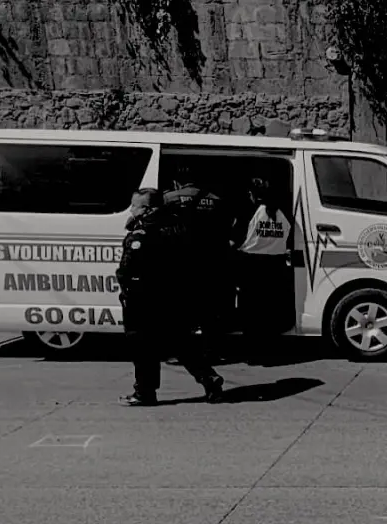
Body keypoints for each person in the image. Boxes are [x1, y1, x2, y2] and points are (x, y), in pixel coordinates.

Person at [116, 188, 224, 406]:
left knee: (143, 347)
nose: (131, 209)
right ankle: (209, 379)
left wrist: (126, 290)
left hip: (144, 299)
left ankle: (144, 392)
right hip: (175, 296)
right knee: (181, 342)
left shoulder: (142, 232)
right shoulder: (179, 224)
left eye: (135, 205)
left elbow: (128, 269)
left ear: (148, 209)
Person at [163, 174, 239, 350]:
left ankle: (183, 351)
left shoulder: (169, 198)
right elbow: (227, 228)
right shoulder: (216, 199)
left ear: (177, 181)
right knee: (209, 309)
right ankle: (212, 349)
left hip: (182, 261)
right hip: (211, 260)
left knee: (182, 308)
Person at [237, 177, 293, 340]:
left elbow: (236, 239)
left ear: (251, 194)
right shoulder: (284, 213)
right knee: (270, 307)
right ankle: (267, 345)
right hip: (276, 265)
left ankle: (253, 347)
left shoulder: (248, 212)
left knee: (251, 309)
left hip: (251, 265)